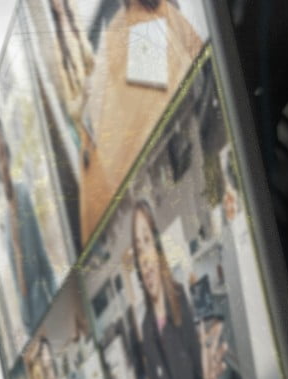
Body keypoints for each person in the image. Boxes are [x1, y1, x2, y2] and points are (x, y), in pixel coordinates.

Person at [76, 0, 204, 235]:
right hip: (166, 159)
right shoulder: (120, 26)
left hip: (176, 153)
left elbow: (152, 115)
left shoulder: (144, 20)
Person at [124, 200, 218, 379]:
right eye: (138, 250)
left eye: (147, 242)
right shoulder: (145, 330)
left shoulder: (180, 301)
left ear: (158, 250)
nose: (144, 255)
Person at [0, 113, 58, 336]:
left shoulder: (23, 193)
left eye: (3, 146)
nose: (1, 154)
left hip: (46, 304)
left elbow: (42, 254)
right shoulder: (1, 220)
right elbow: (17, 289)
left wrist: (57, 297)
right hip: (30, 316)